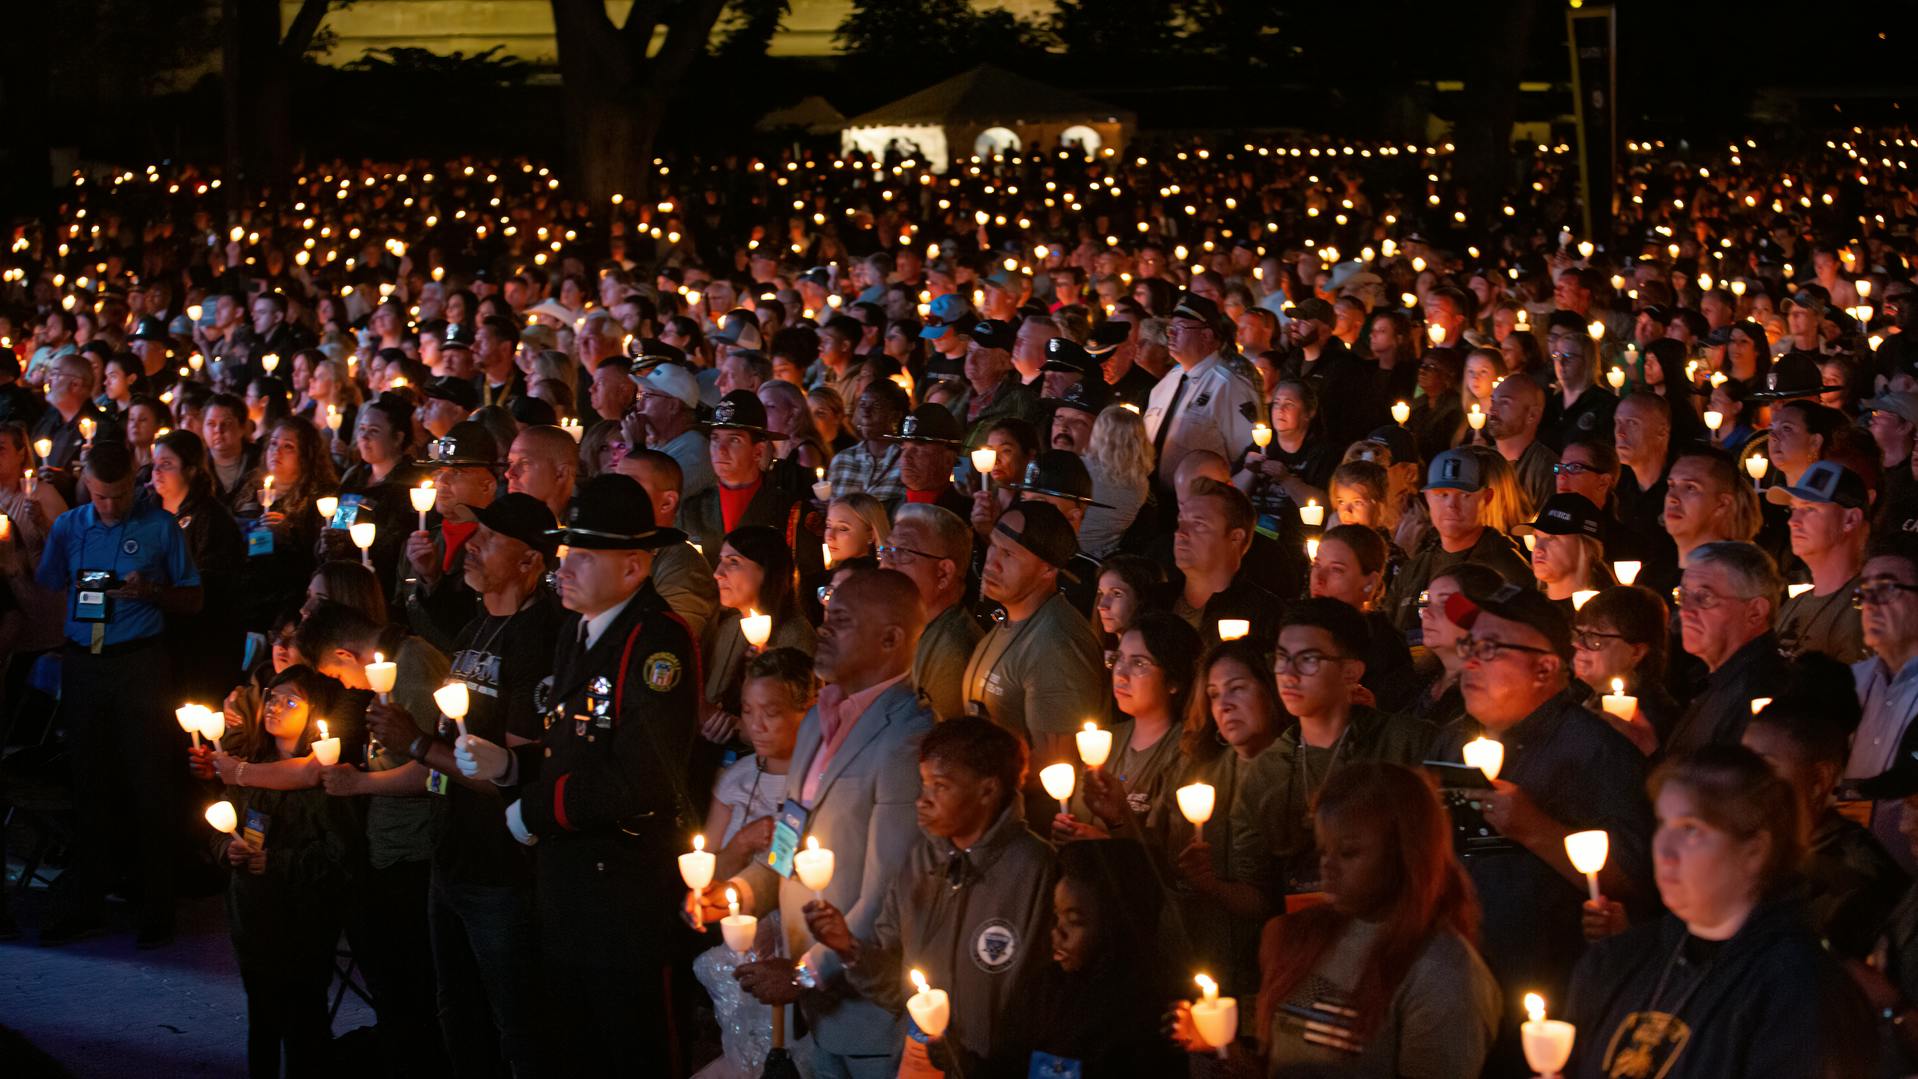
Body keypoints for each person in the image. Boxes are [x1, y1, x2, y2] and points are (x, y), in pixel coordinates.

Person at [452, 472, 703, 1073]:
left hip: (621, 888)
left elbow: (642, 777)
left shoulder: (655, 644)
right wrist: (514, 765)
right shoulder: (579, 630)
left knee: (631, 1048)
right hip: (567, 883)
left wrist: (533, 809)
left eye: (583, 557)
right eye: (565, 553)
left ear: (634, 567)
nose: (562, 568)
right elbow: (571, 745)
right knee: (575, 1047)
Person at [697, 568, 934, 1079]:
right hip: (813, 1002)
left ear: (890, 638)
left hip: (868, 1006)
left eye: (842, 621)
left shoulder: (905, 740)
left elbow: (887, 890)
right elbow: (791, 836)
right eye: (826, 616)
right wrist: (742, 889)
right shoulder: (820, 720)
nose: (823, 630)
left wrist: (806, 974)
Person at [365, 492, 565, 1076]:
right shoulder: (477, 626)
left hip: (503, 872)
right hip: (450, 854)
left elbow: (516, 778)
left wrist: (419, 745)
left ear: (531, 561)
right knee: (457, 1012)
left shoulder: (542, 640)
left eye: (489, 540)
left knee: (518, 1025)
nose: (470, 546)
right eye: (474, 535)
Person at [1428, 579, 1654, 1052]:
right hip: (1460, 984)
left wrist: (1534, 828)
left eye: (1490, 648)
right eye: (1469, 644)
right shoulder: (1451, 740)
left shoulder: (1595, 753)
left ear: (1545, 668)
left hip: (1551, 996)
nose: (1470, 660)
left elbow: (1638, 879)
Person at [1563, 745, 1877, 1079]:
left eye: (1691, 830)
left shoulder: (1799, 993)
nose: (1665, 850)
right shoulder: (1617, 960)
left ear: (1755, 850)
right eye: (1663, 824)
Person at [1175, 762, 1502, 1078]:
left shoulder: (1443, 973)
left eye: (1348, 853)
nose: (1327, 866)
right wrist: (1219, 1052)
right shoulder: (1308, 937)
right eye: (1324, 850)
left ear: (1406, 854)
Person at [802, 717, 1053, 1070]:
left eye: (940, 786)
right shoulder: (920, 861)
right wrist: (847, 948)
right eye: (923, 784)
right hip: (919, 1065)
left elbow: (1047, 1002)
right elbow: (894, 986)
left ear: (987, 790)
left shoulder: (1035, 870)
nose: (922, 800)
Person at [37, 440, 204, 947]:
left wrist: (151, 592)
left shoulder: (159, 528)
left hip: (139, 663)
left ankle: (157, 907)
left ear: (135, 480)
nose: (109, 505)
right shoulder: (69, 527)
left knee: (148, 785)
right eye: (100, 496)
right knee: (89, 785)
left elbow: (194, 599)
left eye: (118, 495)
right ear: (86, 484)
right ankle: (87, 902)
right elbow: (48, 582)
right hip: (84, 664)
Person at [214, 665, 362, 1077]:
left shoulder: (324, 780)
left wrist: (275, 862)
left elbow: (338, 854)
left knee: (303, 1018)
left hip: (302, 919)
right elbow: (218, 823)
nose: (276, 707)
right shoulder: (251, 766)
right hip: (251, 914)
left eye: (291, 701)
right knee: (260, 1016)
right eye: (272, 698)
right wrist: (229, 849)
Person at [691, 647, 814, 1079]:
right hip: (742, 943)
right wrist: (741, 844)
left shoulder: (816, 781)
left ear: (808, 710)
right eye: (747, 711)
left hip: (800, 951)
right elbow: (713, 871)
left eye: (772, 712)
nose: (756, 725)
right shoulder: (737, 777)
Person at [979, 838, 1187, 1076]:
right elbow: (1007, 1064)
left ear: (1116, 924)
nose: (1057, 933)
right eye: (1057, 916)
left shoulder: (1159, 1010)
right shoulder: (1043, 989)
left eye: (1075, 921)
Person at [1742, 663, 1907, 961]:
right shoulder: (1745, 852)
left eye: (1763, 766)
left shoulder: (1855, 882)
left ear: (1819, 779)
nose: (1744, 779)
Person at [961, 502, 1107, 820]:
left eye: (1009, 555)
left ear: (1048, 570)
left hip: (1025, 824)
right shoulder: (1012, 618)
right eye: (993, 548)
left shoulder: (1056, 643)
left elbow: (1058, 762)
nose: (992, 563)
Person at [1058, 611, 1203, 847]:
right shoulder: (1105, 740)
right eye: (1119, 659)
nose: (1121, 674)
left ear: (1174, 680)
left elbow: (1174, 854)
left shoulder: (1186, 752)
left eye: (1139, 663)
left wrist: (1106, 838)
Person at [1383, 447, 1532, 635]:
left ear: (1486, 498)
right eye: (1442, 495)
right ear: (1427, 498)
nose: (1451, 506)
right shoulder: (1413, 569)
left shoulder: (1509, 571)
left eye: (1464, 495)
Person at [681, 390, 821, 582]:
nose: (720, 450)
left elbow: (810, 580)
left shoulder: (791, 512)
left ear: (758, 450)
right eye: (715, 439)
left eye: (734, 440)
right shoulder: (692, 509)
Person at [1667, 541, 1790, 757]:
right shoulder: (1718, 681)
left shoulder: (1761, 692)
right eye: (1683, 596)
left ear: (1755, 611)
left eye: (1704, 597)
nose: (1686, 611)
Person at [1846, 535, 1918, 873]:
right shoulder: (1848, 683)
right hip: (1851, 880)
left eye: (1887, 589)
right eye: (1864, 592)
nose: (1871, 603)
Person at [1144, 292, 1258, 494]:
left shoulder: (1228, 387)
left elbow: (1248, 454)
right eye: (1171, 328)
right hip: (1152, 497)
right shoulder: (1168, 381)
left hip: (1199, 499)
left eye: (1180, 329)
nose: (1171, 334)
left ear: (1206, 335)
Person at [881, 503, 980, 722]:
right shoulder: (907, 629)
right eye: (886, 549)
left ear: (943, 573)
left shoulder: (953, 651)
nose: (887, 563)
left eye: (903, 552)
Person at [615, 446, 722, 643]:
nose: (616, 493)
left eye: (631, 485)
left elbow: (666, 640)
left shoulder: (684, 565)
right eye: (615, 483)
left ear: (667, 502)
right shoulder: (616, 550)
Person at [1768, 459, 1870, 662]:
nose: (1793, 521)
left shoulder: (1867, 610)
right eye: (1793, 509)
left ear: (1850, 520)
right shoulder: (1794, 604)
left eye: (1810, 509)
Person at [1168, 476, 1285, 648]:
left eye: (1199, 524)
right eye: (1181, 522)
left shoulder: (1266, 617)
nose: (1180, 533)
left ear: (1235, 537)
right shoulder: (1153, 604)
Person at [1311, 521, 1416, 710]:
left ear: (1370, 582)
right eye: (1316, 565)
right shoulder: (1296, 632)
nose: (1319, 578)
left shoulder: (1385, 648)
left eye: (1336, 570)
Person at [1572, 585, 1679, 755]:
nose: (1578, 644)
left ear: (1636, 652)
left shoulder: (1650, 719)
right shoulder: (1575, 695)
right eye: (1579, 634)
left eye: (1595, 638)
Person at [631, 362, 715, 500]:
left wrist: (635, 447)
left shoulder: (696, 451)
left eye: (647, 396)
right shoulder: (658, 443)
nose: (639, 405)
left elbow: (647, 501)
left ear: (673, 406)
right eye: (640, 396)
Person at [1514, 492, 1616, 605]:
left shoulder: (1605, 615)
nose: (1538, 549)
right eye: (1536, 537)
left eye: (1552, 538)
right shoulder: (1524, 610)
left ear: (1587, 548)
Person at [824, 380, 908, 504]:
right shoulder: (842, 460)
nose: (866, 412)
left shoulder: (906, 463)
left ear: (895, 416)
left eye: (876, 406)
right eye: (862, 405)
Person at [1488, 372, 1561, 509]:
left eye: (1504, 403)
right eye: (1493, 401)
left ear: (1532, 415)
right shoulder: (1482, 462)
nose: (1492, 410)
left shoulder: (1547, 470)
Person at [884, 402, 970, 516]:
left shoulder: (967, 513)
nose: (905, 457)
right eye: (904, 449)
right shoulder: (886, 511)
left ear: (948, 460)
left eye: (917, 449)